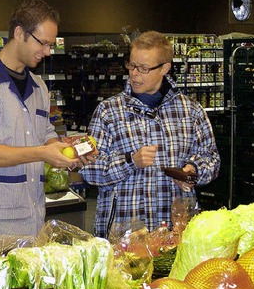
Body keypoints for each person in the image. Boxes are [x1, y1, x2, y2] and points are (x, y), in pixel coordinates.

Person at [0, 0, 93, 247]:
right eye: (44, 43)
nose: (48, 52)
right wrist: (42, 152)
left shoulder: (38, 87)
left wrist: (68, 151)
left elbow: (46, 135)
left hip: (32, 224)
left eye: (51, 44)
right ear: (19, 33)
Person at [79, 30, 220, 238]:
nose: (134, 73)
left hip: (176, 235)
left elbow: (212, 160)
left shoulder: (191, 111)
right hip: (124, 237)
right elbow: (88, 168)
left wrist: (192, 171)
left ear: (165, 68)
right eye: (132, 65)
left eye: (144, 68)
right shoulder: (108, 111)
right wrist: (130, 161)